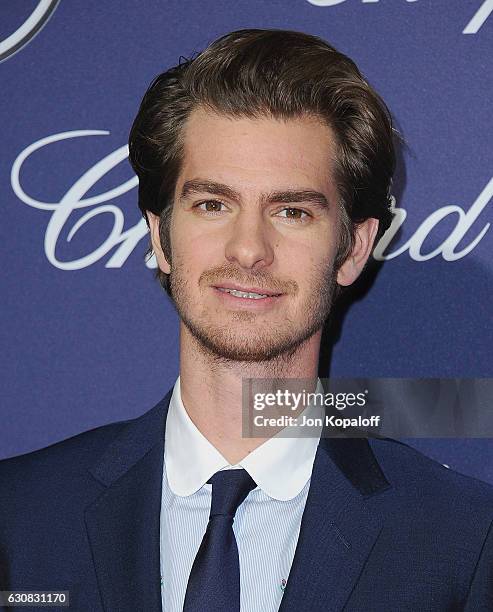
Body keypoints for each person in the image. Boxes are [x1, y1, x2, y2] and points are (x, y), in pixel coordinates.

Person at [1, 28, 492, 612]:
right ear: (160, 235)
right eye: (213, 204)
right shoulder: (19, 517)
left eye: (291, 211)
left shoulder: (462, 541)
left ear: (354, 249)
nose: (248, 249)